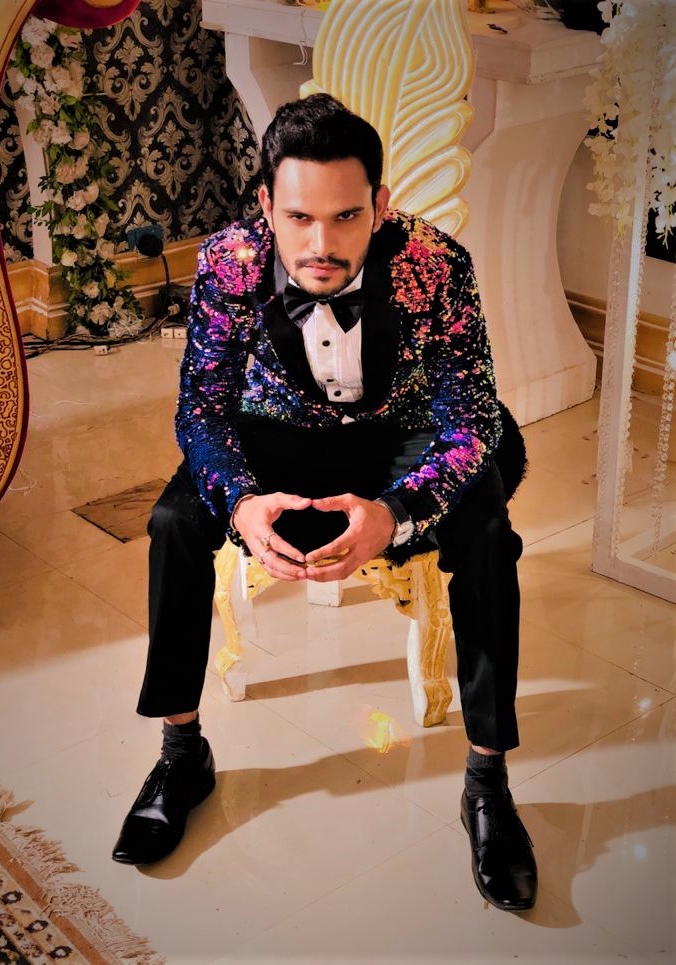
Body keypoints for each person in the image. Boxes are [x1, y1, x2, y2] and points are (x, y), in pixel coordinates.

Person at [112, 93, 537, 912]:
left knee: (487, 532)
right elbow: (201, 408)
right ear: (266, 204)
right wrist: (240, 500)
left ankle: (486, 782)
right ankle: (181, 753)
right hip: (277, 434)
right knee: (172, 522)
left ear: (380, 204)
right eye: (298, 217)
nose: (320, 244)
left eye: (346, 217)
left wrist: (396, 511)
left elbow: (472, 417)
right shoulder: (230, 260)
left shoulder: (436, 263)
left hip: (403, 436)